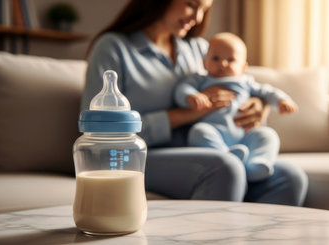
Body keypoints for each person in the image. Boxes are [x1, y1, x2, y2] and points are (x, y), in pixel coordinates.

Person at [81, 0, 308, 205]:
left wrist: (260, 105)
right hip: (134, 156)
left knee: (290, 177)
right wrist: (192, 112)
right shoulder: (113, 47)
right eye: (191, 4)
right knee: (225, 167)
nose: (198, 18)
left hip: (204, 148)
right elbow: (98, 130)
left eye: (204, 10)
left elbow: (239, 85)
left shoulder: (198, 48)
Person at [174, 32, 298, 182]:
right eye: (216, 58)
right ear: (204, 63)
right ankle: (226, 157)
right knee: (198, 132)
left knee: (268, 135)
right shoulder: (201, 80)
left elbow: (267, 91)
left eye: (231, 60)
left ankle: (257, 164)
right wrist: (192, 97)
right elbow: (182, 89)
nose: (223, 64)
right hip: (215, 132)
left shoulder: (246, 82)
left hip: (246, 136)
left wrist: (282, 101)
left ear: (243, 67)